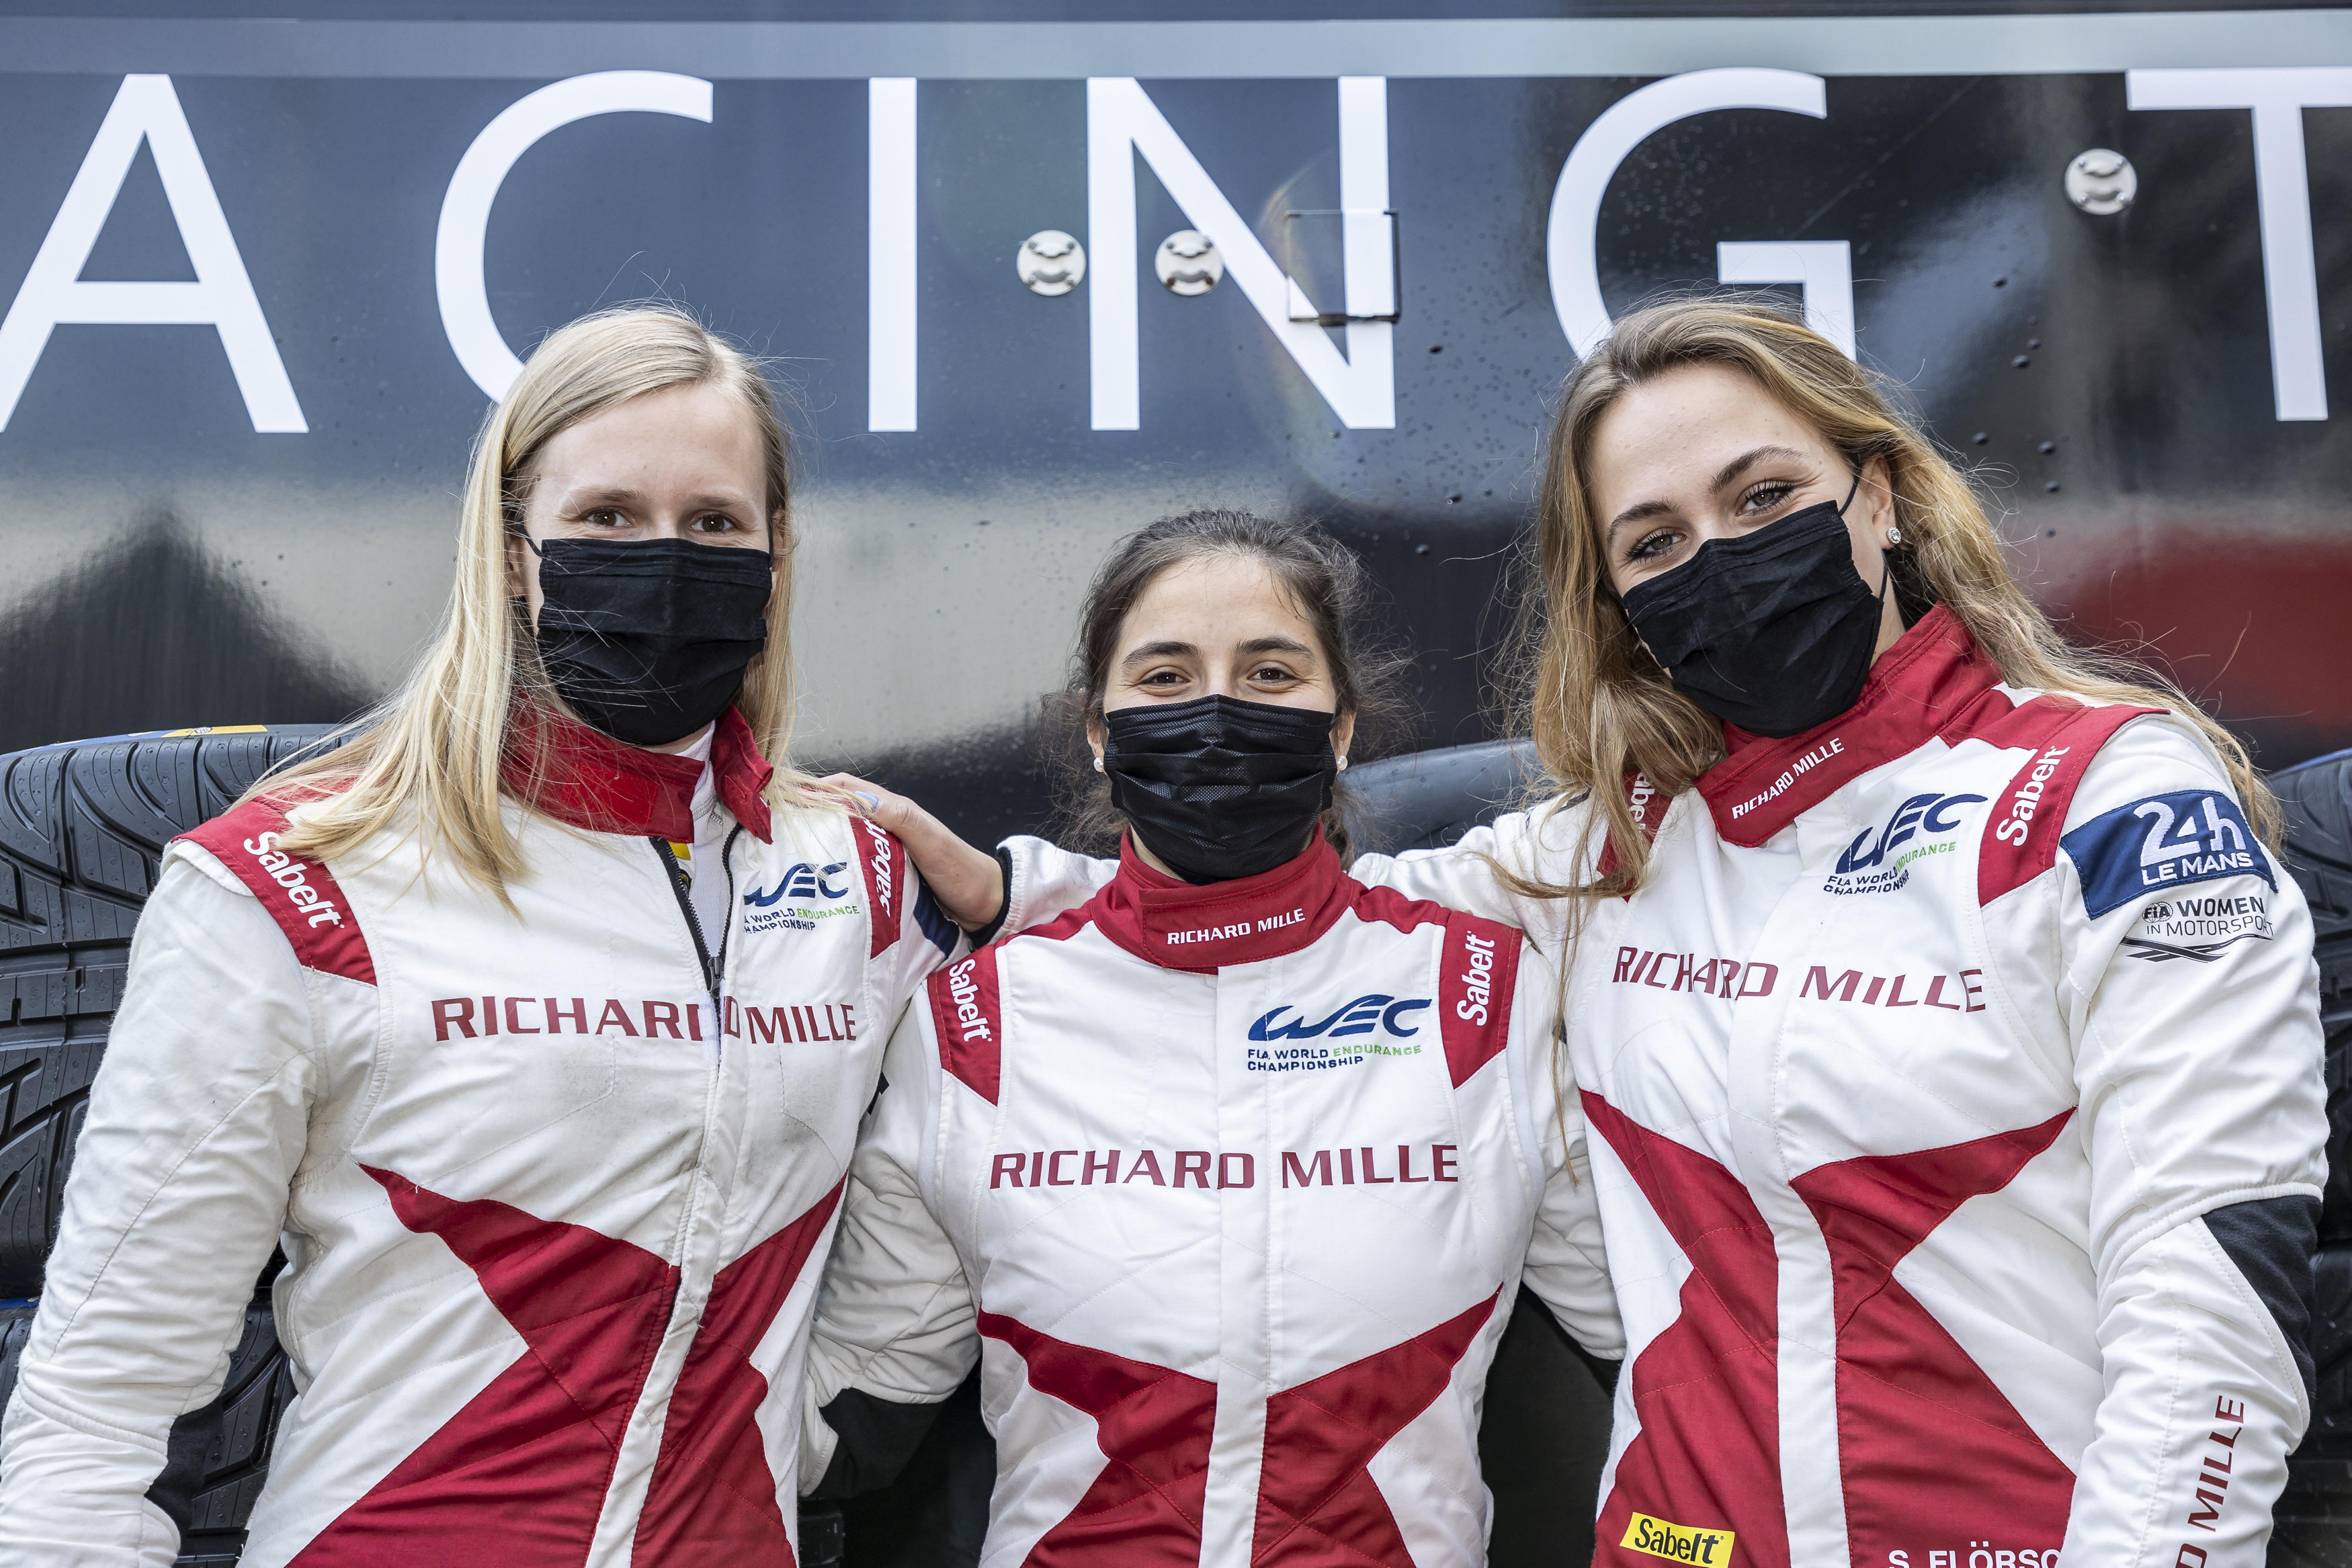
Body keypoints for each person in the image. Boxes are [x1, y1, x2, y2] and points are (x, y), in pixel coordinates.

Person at [879, 300, 2329, 1568]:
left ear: (1881, 495)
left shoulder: (2104, 797)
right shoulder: (1615, 851)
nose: (1723, 557)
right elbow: (1296, 915)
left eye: (1765, 496)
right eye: (1657, 540)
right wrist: (1023, 894)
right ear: (1622, 601)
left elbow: (2212, 1286)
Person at [0, 306, 958, 1567]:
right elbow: (96, 1400)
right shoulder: (294, 878)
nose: (665, 559)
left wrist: (811, 1419)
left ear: (777, 553)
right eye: (606, 515)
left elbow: (1076, 1046)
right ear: (512, 551)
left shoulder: (861, 882)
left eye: (715, 524)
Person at [798, 510, 1622, 1566]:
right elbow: (839, 1411)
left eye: (1271, 673)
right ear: (1098, 729)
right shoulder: (974, 1025)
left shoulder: (1485, 1000)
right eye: (1166, 677)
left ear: (1341, 727)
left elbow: (1672, 1342)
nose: (1219, 711)